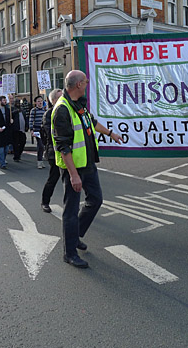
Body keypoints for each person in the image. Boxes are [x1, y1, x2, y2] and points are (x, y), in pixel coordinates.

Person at [52, 70, 123, 268]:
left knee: (96, 199)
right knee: (71, 211)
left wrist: (111, 134)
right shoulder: (63, 109)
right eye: (86, 81)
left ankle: (75, 235)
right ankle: (69, 253)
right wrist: (73, 176)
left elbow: (92, 122)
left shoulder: (79, 103)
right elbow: (62, 146)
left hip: (88, 164)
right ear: (78, 85)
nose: (88, 83)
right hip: (74, 168)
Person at [40, 88, 63, 213]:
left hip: (69, 151)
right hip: (54, 151)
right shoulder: (49, 114)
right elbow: (51, 133)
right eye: (60, 97)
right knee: (53, 177)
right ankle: (45, 201)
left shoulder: (66, 111)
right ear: (53, 100)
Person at [29, 95, 46, 169]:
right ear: (36, 103)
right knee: (40, 145)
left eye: (41, 101)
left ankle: (41, 161)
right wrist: (31, 130)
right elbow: (31, 120)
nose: (40, 102)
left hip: (44, 130)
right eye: (38, 101)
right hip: (37, 130)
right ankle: (39, 162)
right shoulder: (34, 110)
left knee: (43, 145)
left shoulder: (45, 110)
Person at [9, 96, 26, 162]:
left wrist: (26, 126)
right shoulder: (12, 109)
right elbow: (10, 115)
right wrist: (16, 111)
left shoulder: (22, 110)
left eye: (19, 102)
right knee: (15, 143)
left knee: (23, 142)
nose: (18, 103)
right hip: (15, 129)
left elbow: (25, 118)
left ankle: (19, 153)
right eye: (17, 102)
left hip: (22, 129)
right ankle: (16, 156)